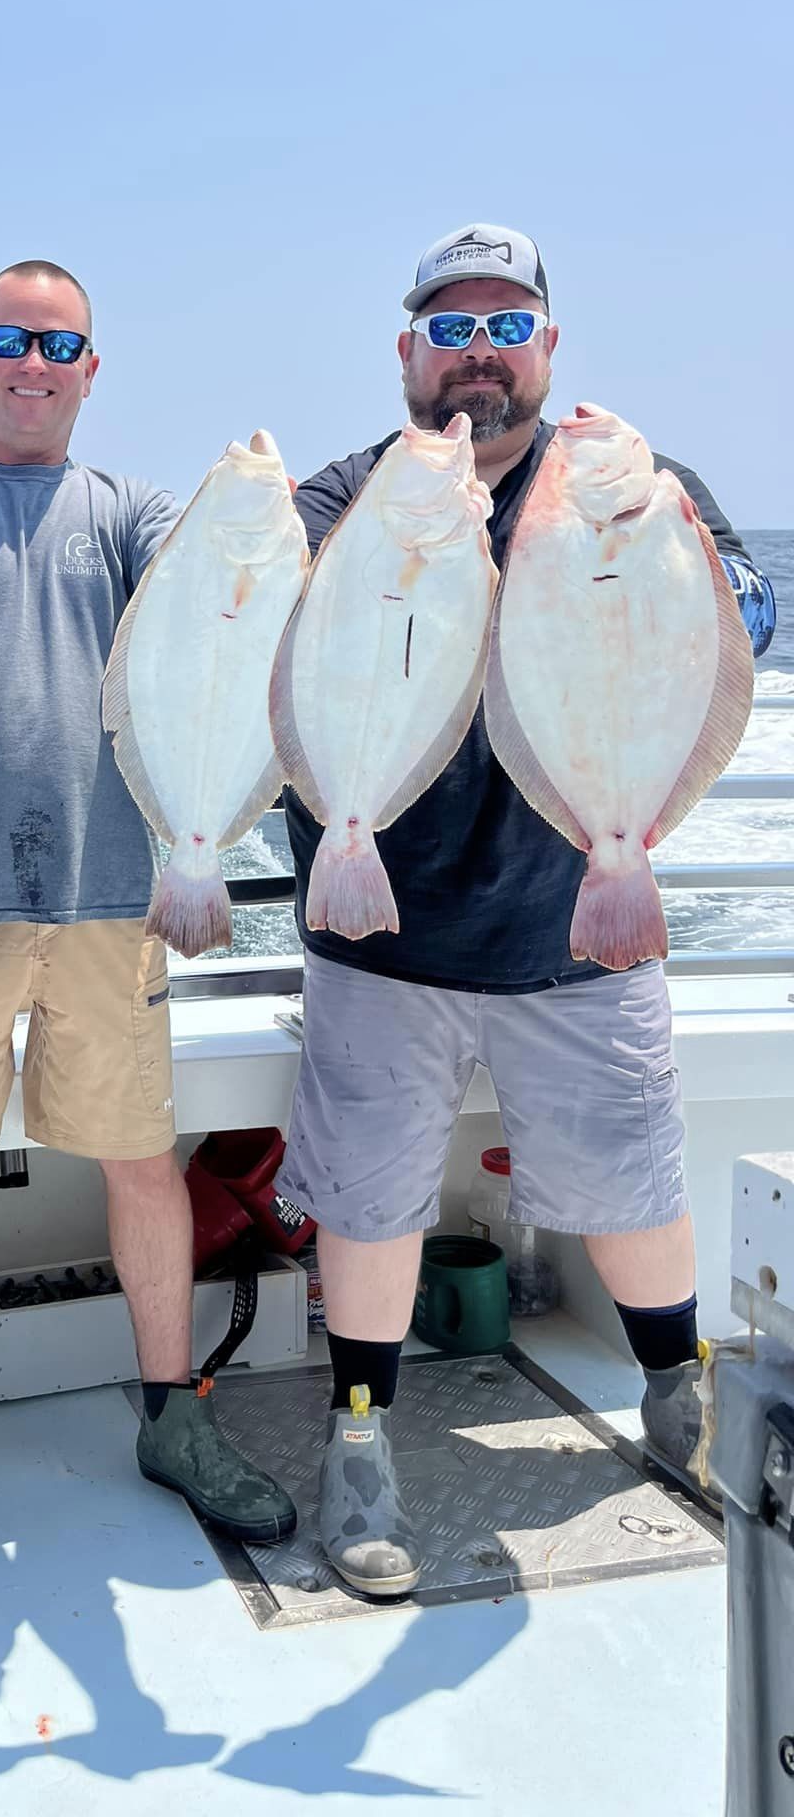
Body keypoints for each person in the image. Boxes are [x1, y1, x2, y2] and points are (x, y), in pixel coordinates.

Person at [275, 223, 778, 1596]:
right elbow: (270, 638)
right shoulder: (340, 500)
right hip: (382, 934)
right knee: (369, 1206)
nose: (479, 350)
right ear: (407, 354)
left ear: (548, 346)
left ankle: (679, 1397)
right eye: (451, 326)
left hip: (576, 924)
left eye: (507, 323)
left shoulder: (640, 488)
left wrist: (693, 563)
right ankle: (361, 1441)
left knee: (633, 1180)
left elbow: (751, 619)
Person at [0, 260, 298, 1609]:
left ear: (94, 370)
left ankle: (173, 1416)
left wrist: (253, 511)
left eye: (62, 343)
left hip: (110, 901)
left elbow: (221, 613)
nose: (35, 362)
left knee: (142, 1164)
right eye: (10, 340)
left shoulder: (131, 513)